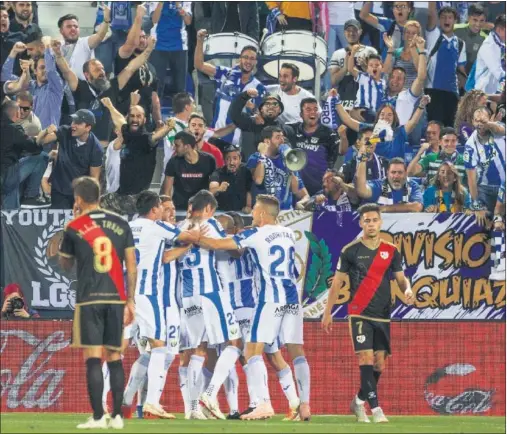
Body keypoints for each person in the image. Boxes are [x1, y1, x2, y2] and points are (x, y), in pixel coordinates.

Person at [196, 194, 312, 421]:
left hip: (269, 299)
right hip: (291, 298)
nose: (252, 214)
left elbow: (217, 244)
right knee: (293, 352)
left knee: (250, 351)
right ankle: (302, 404)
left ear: (261, 213)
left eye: (255, 211)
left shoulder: (254, 235)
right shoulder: (287, 233)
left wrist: (194, 237)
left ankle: (263, 404)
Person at [322, 203, 415, 424]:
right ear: (361, 223)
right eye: (367, 220)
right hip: (359, 312)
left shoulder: (391, 250)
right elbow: (337, 284)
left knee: (379, 365)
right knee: (365, 357)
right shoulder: (350, 250)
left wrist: (408, 290)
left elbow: (401, 279)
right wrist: (328, 312)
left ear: (380, 222)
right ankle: (376, 409)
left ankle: (358, 400)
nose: (371, 224)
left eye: (374, 220)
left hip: (383, 314)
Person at [58, 176, 137, 430]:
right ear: (99, 197)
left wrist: (70, 230)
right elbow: (132, 266)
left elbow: (65, 263)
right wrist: (131, 300)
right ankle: (117, 417)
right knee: (115, 357)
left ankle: (97, 417)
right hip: (116, 298)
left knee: (93, 358)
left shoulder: (75, 225)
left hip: (89, 299)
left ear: (78, 199)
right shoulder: (121, 223)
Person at [125, 190, 194, 419]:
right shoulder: (158, 228)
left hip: (130, 293)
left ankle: (124, 401)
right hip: (152, 295)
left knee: (141, 351)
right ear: (155, 209)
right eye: (165, 208)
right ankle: (150, 402)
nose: (170, 212)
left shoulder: (131, 225)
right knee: (159, 348)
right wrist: (198, 234)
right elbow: (182, 240)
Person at [174, 190, 242, 420]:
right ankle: (210, 394)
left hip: (187, 296)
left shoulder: (180, 226)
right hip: (210, 292)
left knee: (198, 349)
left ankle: (192, 408)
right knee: (235, 342)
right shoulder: (210, 223)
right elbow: (228, 247)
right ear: (209, 209)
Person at [54, 37, 156, 146]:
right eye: (97, 70)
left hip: (109, 147)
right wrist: (58, 55)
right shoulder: (80, 87)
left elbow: (130, 68)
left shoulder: (111, 87)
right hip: (84, 146)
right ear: (87, 75)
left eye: (102, 68)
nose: (102, 72)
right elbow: (66, 71)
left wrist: (148, 50)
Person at [194, 29, 266, 145]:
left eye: (252, 58)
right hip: (215, 137)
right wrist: (200, 41)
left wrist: (251, 107)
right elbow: (199, 65)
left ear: (256, 62)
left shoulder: (259, 87)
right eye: (245, 57)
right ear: (240, 59)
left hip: (237, 144)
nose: (248, 61)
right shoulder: (226, 74)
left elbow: (260, 118)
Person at [101, 95, 175, 195]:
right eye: (132, 116)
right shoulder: (126, 135)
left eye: (138, 116)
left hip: (138, 198)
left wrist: (167, 128)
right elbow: (120, 121)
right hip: (120, 195)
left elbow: (155, 137)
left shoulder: (145, 138)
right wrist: (110, 106)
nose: (135, 119)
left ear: (144, 120)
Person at [37, 109, 103, 209]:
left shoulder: (96, 148)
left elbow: (94, 179)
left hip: (79, 194)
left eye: (78, 123)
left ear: (88, 127)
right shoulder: (64, 131)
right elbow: (40, 142)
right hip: (60, 190)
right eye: (73, 121)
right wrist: (46, 131)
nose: (73, 125)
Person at [114, 5, 162, 129]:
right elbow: (131, 44)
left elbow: (154, 98)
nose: (141, 40)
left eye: (144, 37)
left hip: (146, 119)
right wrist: (139, 17)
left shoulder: (151, 67)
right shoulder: (123, 57)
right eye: (138, 37)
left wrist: (159, 121)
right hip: (127, 115)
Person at [1, 98, 50, 209]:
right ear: (17, 114)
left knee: (11, 210)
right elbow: (34, 148)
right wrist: (44, 133)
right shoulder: (14, 129)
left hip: (5, 178)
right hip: (7, 177)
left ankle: (10, 217)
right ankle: (31, 196)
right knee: (42, 157)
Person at [284, 97, 340, 196]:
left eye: (315, 109)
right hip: (297, 189)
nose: (313, 112)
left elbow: (335, 157)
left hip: (319, 189)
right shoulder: (292, 130)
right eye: (308, 109)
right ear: (301, 114)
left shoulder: (329, 133)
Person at [247, 126, 310, 211]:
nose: (282, 141)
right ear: (267, 141)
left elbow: (296, 191)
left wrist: (291, 167)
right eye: (278, 137)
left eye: (282, 137)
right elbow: (258, 180)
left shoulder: (287, 160)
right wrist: (262, 156)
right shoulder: (255, 158)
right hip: (264, 213)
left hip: (284, 213)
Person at [425, 4, 467, 126]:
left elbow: (461, 70)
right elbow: (432, 12)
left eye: (450, 17)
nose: (446, 20)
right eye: (443, 17)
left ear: (455, 20)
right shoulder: (433, 35)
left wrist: (462, 95)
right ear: (438, 20)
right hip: (433, 91)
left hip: (452, 94)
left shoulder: (460, 43)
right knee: (435, 127)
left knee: (450, 129)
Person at [464, 106, 506, 214]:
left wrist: (488, 123)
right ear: (472, 122)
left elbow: (501, 130)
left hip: (505, 184)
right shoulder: (470, 145)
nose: (480, 124)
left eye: (483, 120)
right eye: (477, 120)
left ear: (490, 119)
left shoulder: (498, 128)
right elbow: (471, 178)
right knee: (481, 218)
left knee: (500, 218)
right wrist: (476, 203)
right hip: (485, 189)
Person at [328, 19, 378, 110]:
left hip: (364, 100)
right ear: (344, 32)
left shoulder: (370, 51)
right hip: (344, 101)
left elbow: (377, 77)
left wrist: (365, 67)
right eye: (348, 30)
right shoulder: (337, 53)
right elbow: (333, 81)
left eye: (354, 30)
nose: (351, 33)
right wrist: (345, 68)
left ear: (360, 32)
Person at [162, 131, 216, 210]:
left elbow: (214, 184)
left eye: (177, 145)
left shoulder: (209, 160)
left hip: (202, 207)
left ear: (187, 146)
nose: (174, 148)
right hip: (179, 207)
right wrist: (168, 209)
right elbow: (167, 191)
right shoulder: (173, 162)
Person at [228, 90, 289, 158]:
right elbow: (234, 114)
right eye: (267, 104)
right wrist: (245, 95)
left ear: (280, 110)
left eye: (275, 104)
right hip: (250, 167)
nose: (271, 106)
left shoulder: (285, 129)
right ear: (261, 109)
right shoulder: (251, 122)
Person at [150, 2, 192, 97]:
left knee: (180, 88)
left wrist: (178, 5)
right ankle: (155, 111)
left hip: (180, 45)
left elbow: (188, 21)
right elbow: (154, 19)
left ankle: (180, 111)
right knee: (156, 86)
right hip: (158, 45)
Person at [355, 156, 424, 213]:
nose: (396, 176)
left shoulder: (412, 185)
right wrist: (362, 159)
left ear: (406, 173)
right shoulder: (379, 185)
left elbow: (417, 207)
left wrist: (384, 208)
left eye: (400, 172)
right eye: (393, 172)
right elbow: (361, 191)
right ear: (387, 173)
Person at [57, 11, 111, 81]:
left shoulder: (85, 42)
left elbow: (99, 36)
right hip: (61, 89)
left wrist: (106, 20)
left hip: (83, 89)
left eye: (76, 26)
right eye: (69, 26)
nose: (73, 29)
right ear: (61, 31)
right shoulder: (57, 46)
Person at [160, 92, 195, 184]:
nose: (195, 107)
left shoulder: (194, 125)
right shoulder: (170, 125)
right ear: (187, 107)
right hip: (173, 176)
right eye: (193, 104)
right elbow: (174, 146)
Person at [209, 144, 253, 213]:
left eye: (235, 158)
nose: (231, 162)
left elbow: (248, 190)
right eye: (228, 159)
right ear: (224, 160)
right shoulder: (217, 173)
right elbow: (211, 191)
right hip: (221, 212)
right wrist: (219, 188)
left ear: (240, 159)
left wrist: (248, 206)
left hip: (240, 212)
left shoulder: (246, 171)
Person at [469, 14, 505, 95]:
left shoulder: (500, 44)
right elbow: (499, 73)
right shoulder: (489, 46)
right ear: (499, 30)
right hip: (482, 95)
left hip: (492, 93)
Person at [453, 3, 487, 76]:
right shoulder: (454, 29)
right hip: (451, 77)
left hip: (471, 81)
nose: (478, 24)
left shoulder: (486, 39)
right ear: (468, 18)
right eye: (475, 20)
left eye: (481, 21)